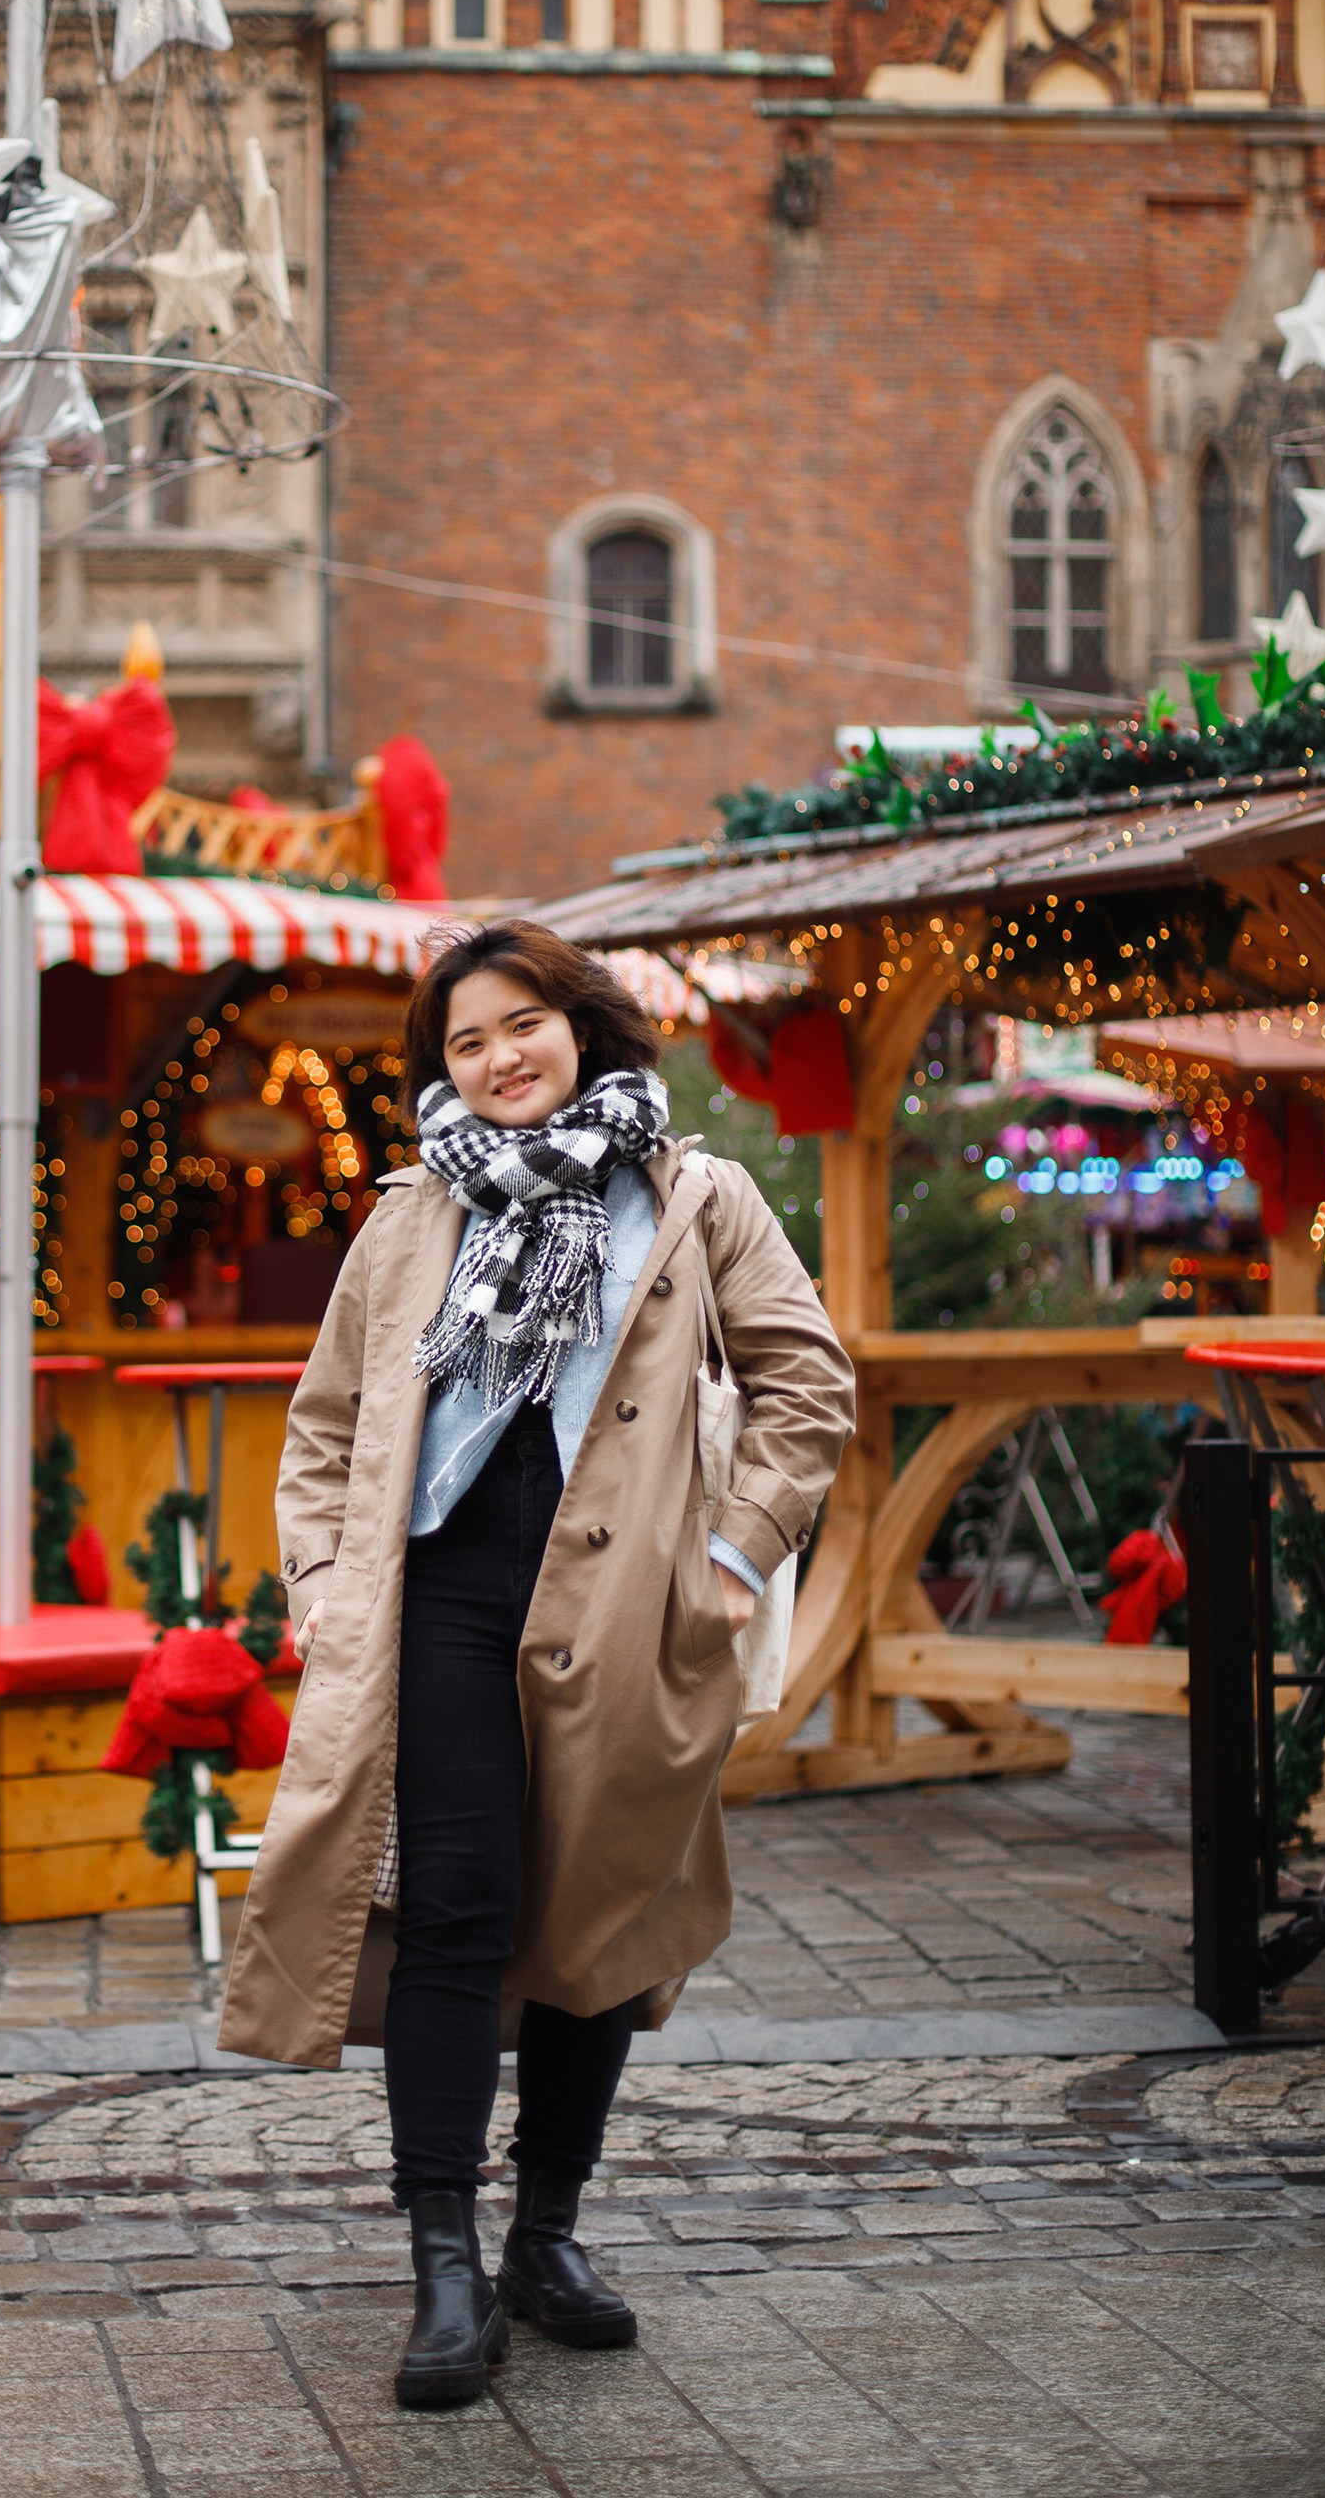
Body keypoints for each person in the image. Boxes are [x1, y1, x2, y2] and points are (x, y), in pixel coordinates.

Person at [218, 919, 856, 2409]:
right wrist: (323, 1588)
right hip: (442, 1586)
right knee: (456, 1904)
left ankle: (546, 2235)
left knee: (597, 1909)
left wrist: (732, 1562)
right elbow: (324, 1428)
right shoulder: (408, 1216)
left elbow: (807, 1382)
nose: (500, 1059)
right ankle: (444, 2261)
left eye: (522, 1026)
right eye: (466, 1043)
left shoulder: (695, 1197)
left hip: (632, 1603)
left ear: (581, 1026)